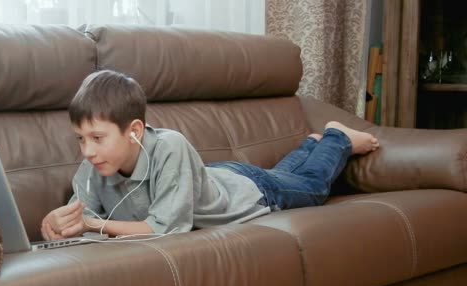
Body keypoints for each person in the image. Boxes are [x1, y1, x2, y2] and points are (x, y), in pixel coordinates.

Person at [40, 70, 379, 240]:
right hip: (210, 176)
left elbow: (164, 229)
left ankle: (336, 137)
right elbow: (79, 219)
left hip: (248, 191)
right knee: (284, 175)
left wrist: (91, 224)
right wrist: (55, 224)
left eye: (97, 138)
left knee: (312, 187)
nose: (88, 150)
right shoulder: (94, 163)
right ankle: (310, 145)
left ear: (135, 131)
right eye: (80, 139)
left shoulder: (170, 146)